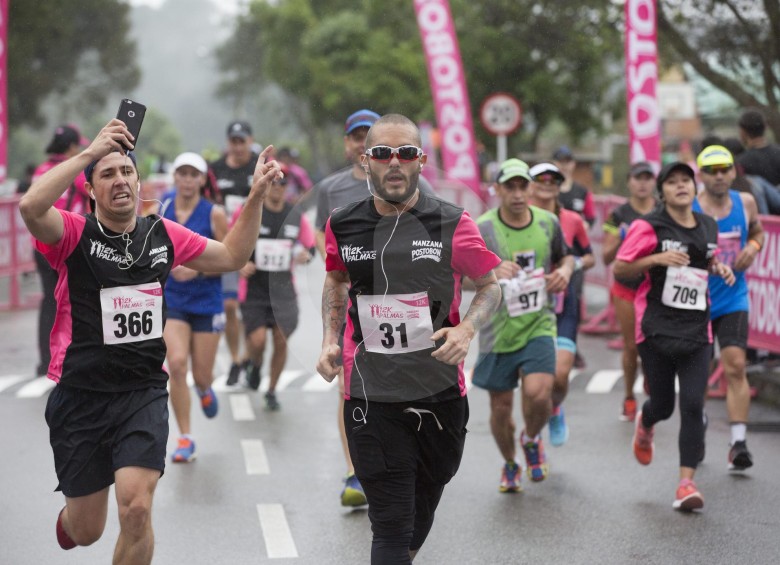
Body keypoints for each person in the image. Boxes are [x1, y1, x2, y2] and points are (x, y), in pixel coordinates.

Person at [18, 118, 280, 561]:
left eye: (126, 172)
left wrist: (254, 197)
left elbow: (233, 255)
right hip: (81, 395)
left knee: (137, 509)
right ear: (90, 190)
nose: (120, 180)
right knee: (86, 531)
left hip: (141, 391)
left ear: (139, 181)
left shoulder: (162, 235)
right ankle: (71, 521)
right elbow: (29, 207)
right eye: (107, 174)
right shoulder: (73, 234)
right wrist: (88, 153)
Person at [316, 113, 501, 563]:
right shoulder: (343, 224)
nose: (393, 163)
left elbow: (490, 286)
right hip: (370, 394)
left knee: (421, 509)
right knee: (392, 523)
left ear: (420, 161)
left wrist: (467, 327)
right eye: (382, 153)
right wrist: (328, 339)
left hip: (438, 392)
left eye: (404, 153)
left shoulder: (452, 223)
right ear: (366, 161)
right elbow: (337, 280)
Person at [613, 161, 734, 512]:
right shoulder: (648, 225)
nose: (680, 186)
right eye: (672, 182)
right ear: (662, 192)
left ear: (695, 189)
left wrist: (718, 267)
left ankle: (685, 483)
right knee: (664, 405)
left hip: (697, 329)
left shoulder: (708, 225)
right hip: (655, 328)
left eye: (686, 181)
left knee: (694, 404)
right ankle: (646, 422)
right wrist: (656, 258)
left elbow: (702, 260)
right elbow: (621, 268)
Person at [472, 159, 573, 491]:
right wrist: (489, 274)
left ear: (530, 189)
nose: (517, 194)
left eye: (522, 186)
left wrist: (564, 272)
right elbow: (457, 277)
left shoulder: (548, 223)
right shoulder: (482, 228)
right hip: (496, 331)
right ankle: (511, 463)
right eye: (509, 187)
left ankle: (531, 439)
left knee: (539, 392)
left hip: (538, 324)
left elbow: (566, 256)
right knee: (500, 408)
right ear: (497, 190)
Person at [692, 145, 764, 471]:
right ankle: (699, 421)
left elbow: (759, 230)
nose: (719, 176)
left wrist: (752, 245)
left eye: (725, 169)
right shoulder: (690, 207)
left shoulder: (745, 202)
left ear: (733, 172)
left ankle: (738, 442)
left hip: (734, 296)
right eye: (712, 170)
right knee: (700, 373)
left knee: (735, 364)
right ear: (701, 175)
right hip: (694, 301)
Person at [159, 152, 228, 463]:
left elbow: (229, 260)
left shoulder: (214, 214)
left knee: (201, 375)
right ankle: (185, 437)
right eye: (182, 173)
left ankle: (204, 389)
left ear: (203, 179)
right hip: (173, 299)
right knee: (176, 364)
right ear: (175, 177)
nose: (187, 180)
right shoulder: (162, 209)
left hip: (206, 301)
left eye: (193, 174)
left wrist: (197, 270)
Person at [237, 164, 315, 409]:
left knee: (281, 340)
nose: (278, 188)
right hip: (255, 289)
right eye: (274, 183)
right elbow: (231, 241)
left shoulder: (294, 215)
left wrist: (306, 255)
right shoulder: (251, 210)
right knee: (258, 341)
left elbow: (310, 245)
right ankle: (256, 365)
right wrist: (241, 264)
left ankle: (271, 391)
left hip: (283, 291)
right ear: (266, 184)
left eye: (283, 184)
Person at [527, 162, 593, 446]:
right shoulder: (519, 218)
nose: (546, 184)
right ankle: (532, 438)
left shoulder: (572, 220)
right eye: (540, 179)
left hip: (564, 302)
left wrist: (571, 265)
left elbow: (589, 256)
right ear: (530, 184)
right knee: (534, 385)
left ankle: (555, 409)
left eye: (552, 180)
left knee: (560, 375)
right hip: (528, 305)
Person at [31, 124, 91, 377]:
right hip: (68, 245)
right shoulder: (75, 173)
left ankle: (45, 361)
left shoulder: (40, 171)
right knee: (74, 300)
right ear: (71, 147)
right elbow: (92, 204)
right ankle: (72, 357)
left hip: (40, 246)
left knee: (49, 301)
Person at [602, 162, 658, 422]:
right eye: (638, 178)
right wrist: (623, 240)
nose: (643, 183)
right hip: (627, 287)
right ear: (629, 182)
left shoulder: (662, 210)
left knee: (654, 344)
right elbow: (605, 257)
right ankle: (629, 396)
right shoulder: (619, 214)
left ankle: (650, 378)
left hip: (656, 288)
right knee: (631, 347)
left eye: (648, 178)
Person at [211, 120, 261, 386]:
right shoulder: (215, 170)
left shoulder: (259, 167)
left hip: (260, 245)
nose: (239, 146)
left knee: (256, 314)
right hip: (227, 244)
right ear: (228, 142)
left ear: (251, 141)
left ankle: (251, 358)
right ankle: (234, 358)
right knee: (230, 306)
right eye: (234, 141)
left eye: (243, 141)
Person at [551, 145, 596, 226]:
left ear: (573, 164)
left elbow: (590, 218)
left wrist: (584, 226)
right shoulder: (546, 189)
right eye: (561, 161)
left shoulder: (582, 191)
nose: (564, 165)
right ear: (554, 163)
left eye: (567, 162)